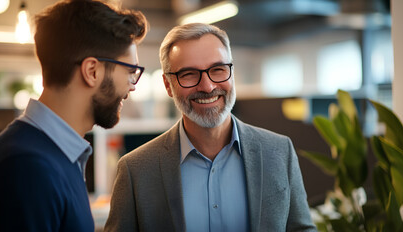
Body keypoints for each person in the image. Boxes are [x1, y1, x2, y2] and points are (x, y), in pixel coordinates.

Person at [105, 23, 316, 232]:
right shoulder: (136, 170)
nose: (207, 87)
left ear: (231, 73)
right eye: (188, 74)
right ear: (168, 85)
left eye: (217, 70)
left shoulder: (279, 152)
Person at [0, 0, 147, 231]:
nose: (133, 84)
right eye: (131, 71)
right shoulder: (27, 167)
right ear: (92, 71)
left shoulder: (53, 153)